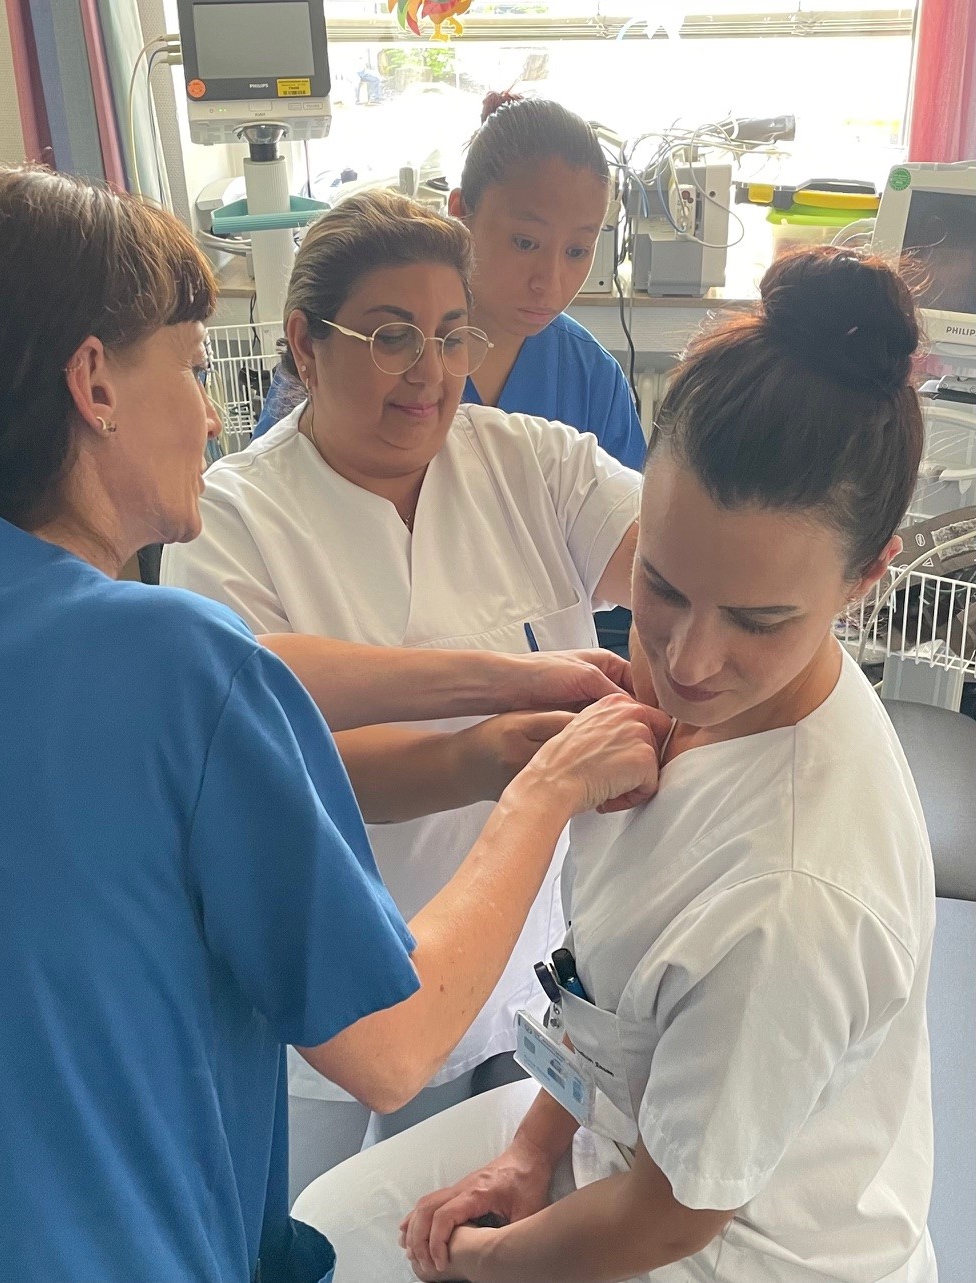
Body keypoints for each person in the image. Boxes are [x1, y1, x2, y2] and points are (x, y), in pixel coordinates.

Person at [0, 167, 670, 1283]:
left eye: (449, 334)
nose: (213, 408)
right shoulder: (179, 649)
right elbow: (390, 1042)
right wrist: (540, 780)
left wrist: (493, 690)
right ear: (95, 382)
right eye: (188, 366)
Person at [290, 247, 938, 1283]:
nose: (685, 660)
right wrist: (526, 1150)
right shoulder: (680, 705)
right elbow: (611, 1001)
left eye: (758, 621)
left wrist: (479, 1266)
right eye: (662, 585)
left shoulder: (795, 891)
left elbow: (667, 1218)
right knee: (331, 1223)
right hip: (614, 1136)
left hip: (735, 1248)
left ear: (865, 578)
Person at [160, 186, 644, 1197]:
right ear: (303, 342)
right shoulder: (230, 520)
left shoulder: (530, 463)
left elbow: (680, 562)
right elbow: (287, 768)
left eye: (451, 334)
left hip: (526, 967)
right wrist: (483, 752)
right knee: (304, 1222)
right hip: (329, 999)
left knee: (484, 1215)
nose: (428, 372)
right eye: (389, 336)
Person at [252, 93, 644, 471]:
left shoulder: (592, 380)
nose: (551, 283)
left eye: (577, 251)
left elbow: (630, 520)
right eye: (525, 243)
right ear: (461, 213)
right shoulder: (345, 352)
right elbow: (275, 484)